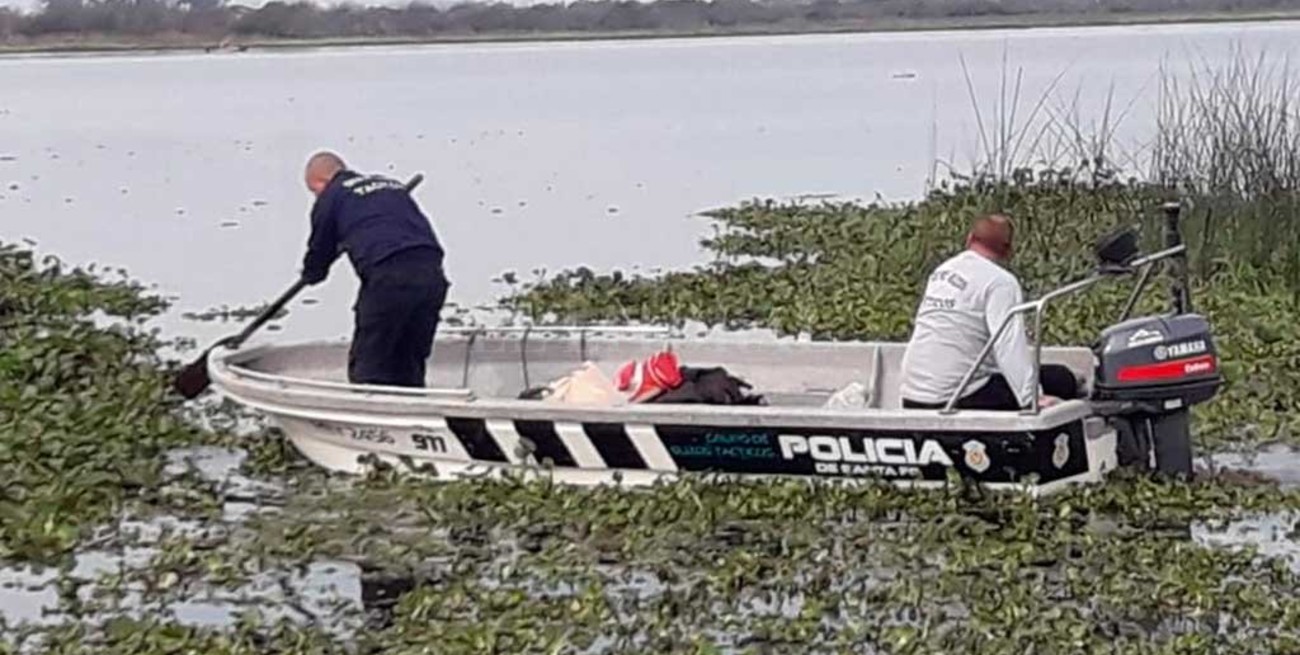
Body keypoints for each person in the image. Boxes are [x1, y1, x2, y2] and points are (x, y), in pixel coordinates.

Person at [898, 214, 1079, 411]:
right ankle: (1043, 441)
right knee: (1061, 379)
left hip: (912, 395)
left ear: (969, 238)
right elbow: (1008, 345)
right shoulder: (1000, 282)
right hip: (955, 399)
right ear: (1008, 250)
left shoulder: (941, 272)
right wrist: (1031, 398)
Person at [300, 151, 450, 388]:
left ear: (321, 182)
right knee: (409, 359)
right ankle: (413, 415)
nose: (316, 197)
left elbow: (319, 253)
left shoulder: (332, 196)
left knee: (369, 363)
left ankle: (370, 419)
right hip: (432, 275)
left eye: (314, 191)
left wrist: (310, 274)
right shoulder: (390, 186)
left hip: (389, 277)